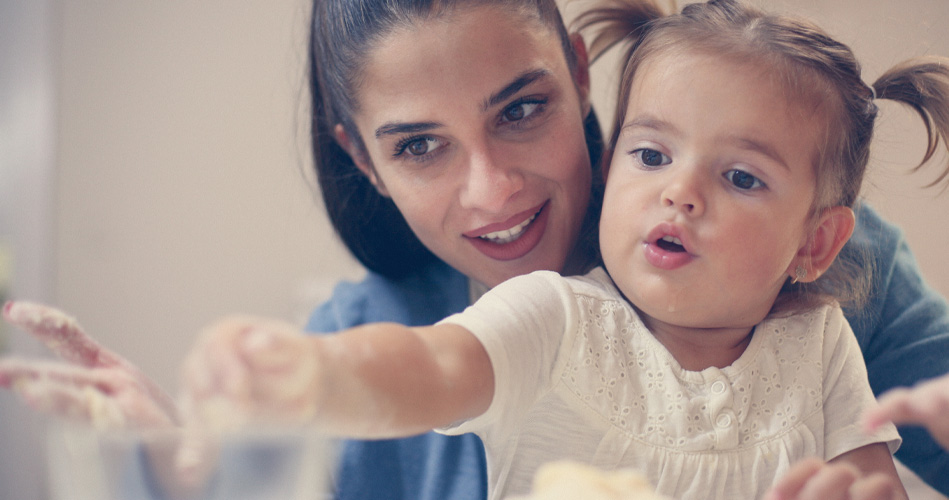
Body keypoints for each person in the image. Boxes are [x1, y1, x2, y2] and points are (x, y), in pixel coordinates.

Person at [1, 0, 949, 498]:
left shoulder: (827, 326)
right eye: (419, 144)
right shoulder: (553, 317)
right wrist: (265, 404)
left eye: (522, 109)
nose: (491, 191)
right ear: (362, 159)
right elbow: (419, 365)